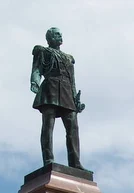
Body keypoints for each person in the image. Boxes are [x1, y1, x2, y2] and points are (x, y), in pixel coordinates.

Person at [31, 27, 85, 168]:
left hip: (67, 91)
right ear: (49, 39)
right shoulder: (43, 51)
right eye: (56, 34)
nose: (60, 36)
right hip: (50, 88)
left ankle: (75, 163)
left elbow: (72, 80)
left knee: (73, 127)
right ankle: (48, 159)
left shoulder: (68, 58)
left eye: (60, 34)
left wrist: (76, 99)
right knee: (48, 125)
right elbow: (37, 70)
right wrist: (34, 82)